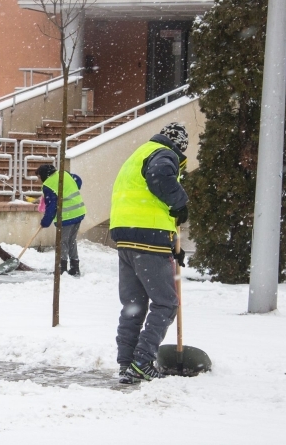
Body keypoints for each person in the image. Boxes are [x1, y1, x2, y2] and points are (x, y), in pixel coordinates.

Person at [110, 122, 189, 384]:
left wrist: (172, 244)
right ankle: (143, 360)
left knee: (134, 304)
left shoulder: (140, 153)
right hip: (148, 239)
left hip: (126, 238)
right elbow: (160, 178)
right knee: (166, 303)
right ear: (179, 146)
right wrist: (181, 203)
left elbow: (144, 198)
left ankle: (126, 362)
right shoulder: (165, 154)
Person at [36, 164, 87, 277]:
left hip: (67, 215)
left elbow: (52, 206)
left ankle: (62, 269)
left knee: (62, 241)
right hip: (78, 211)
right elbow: (78, 180)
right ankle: (75, 267)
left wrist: (45, 221)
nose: (38, 180)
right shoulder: (63, 173)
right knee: (71, 240)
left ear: (44, 175)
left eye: (39, 177)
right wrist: (69, 191)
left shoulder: (48, 185)